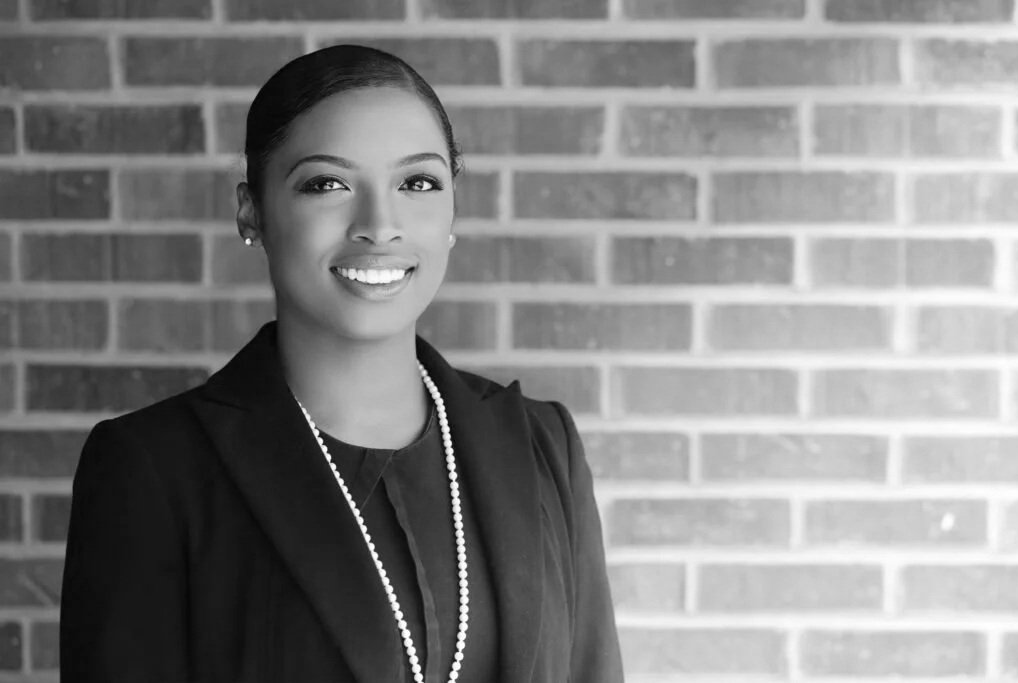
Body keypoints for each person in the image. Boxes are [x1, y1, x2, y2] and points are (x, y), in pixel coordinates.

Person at [59, 44, 623, 683]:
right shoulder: (154, 469)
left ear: (451, 213)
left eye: (418, 183)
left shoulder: (543, 445)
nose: (380, 225)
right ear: (252, 211)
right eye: (327, 183)